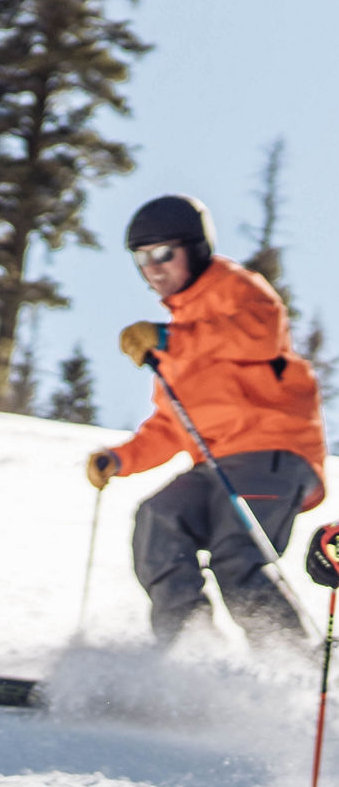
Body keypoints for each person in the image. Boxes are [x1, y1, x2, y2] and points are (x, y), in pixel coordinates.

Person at [86, 194, 326, 649]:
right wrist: (120, 459)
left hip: (271, 453)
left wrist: (169, 339)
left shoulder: (234, 288)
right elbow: (169, 424)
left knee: (237, 557)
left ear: (195, 248)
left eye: (163, 253)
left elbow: (259, 334)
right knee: (159, 519)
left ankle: (295, 670)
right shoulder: (175, 338)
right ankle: (190, 656)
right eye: (141, 259)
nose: (153, 268)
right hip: (212, 465)